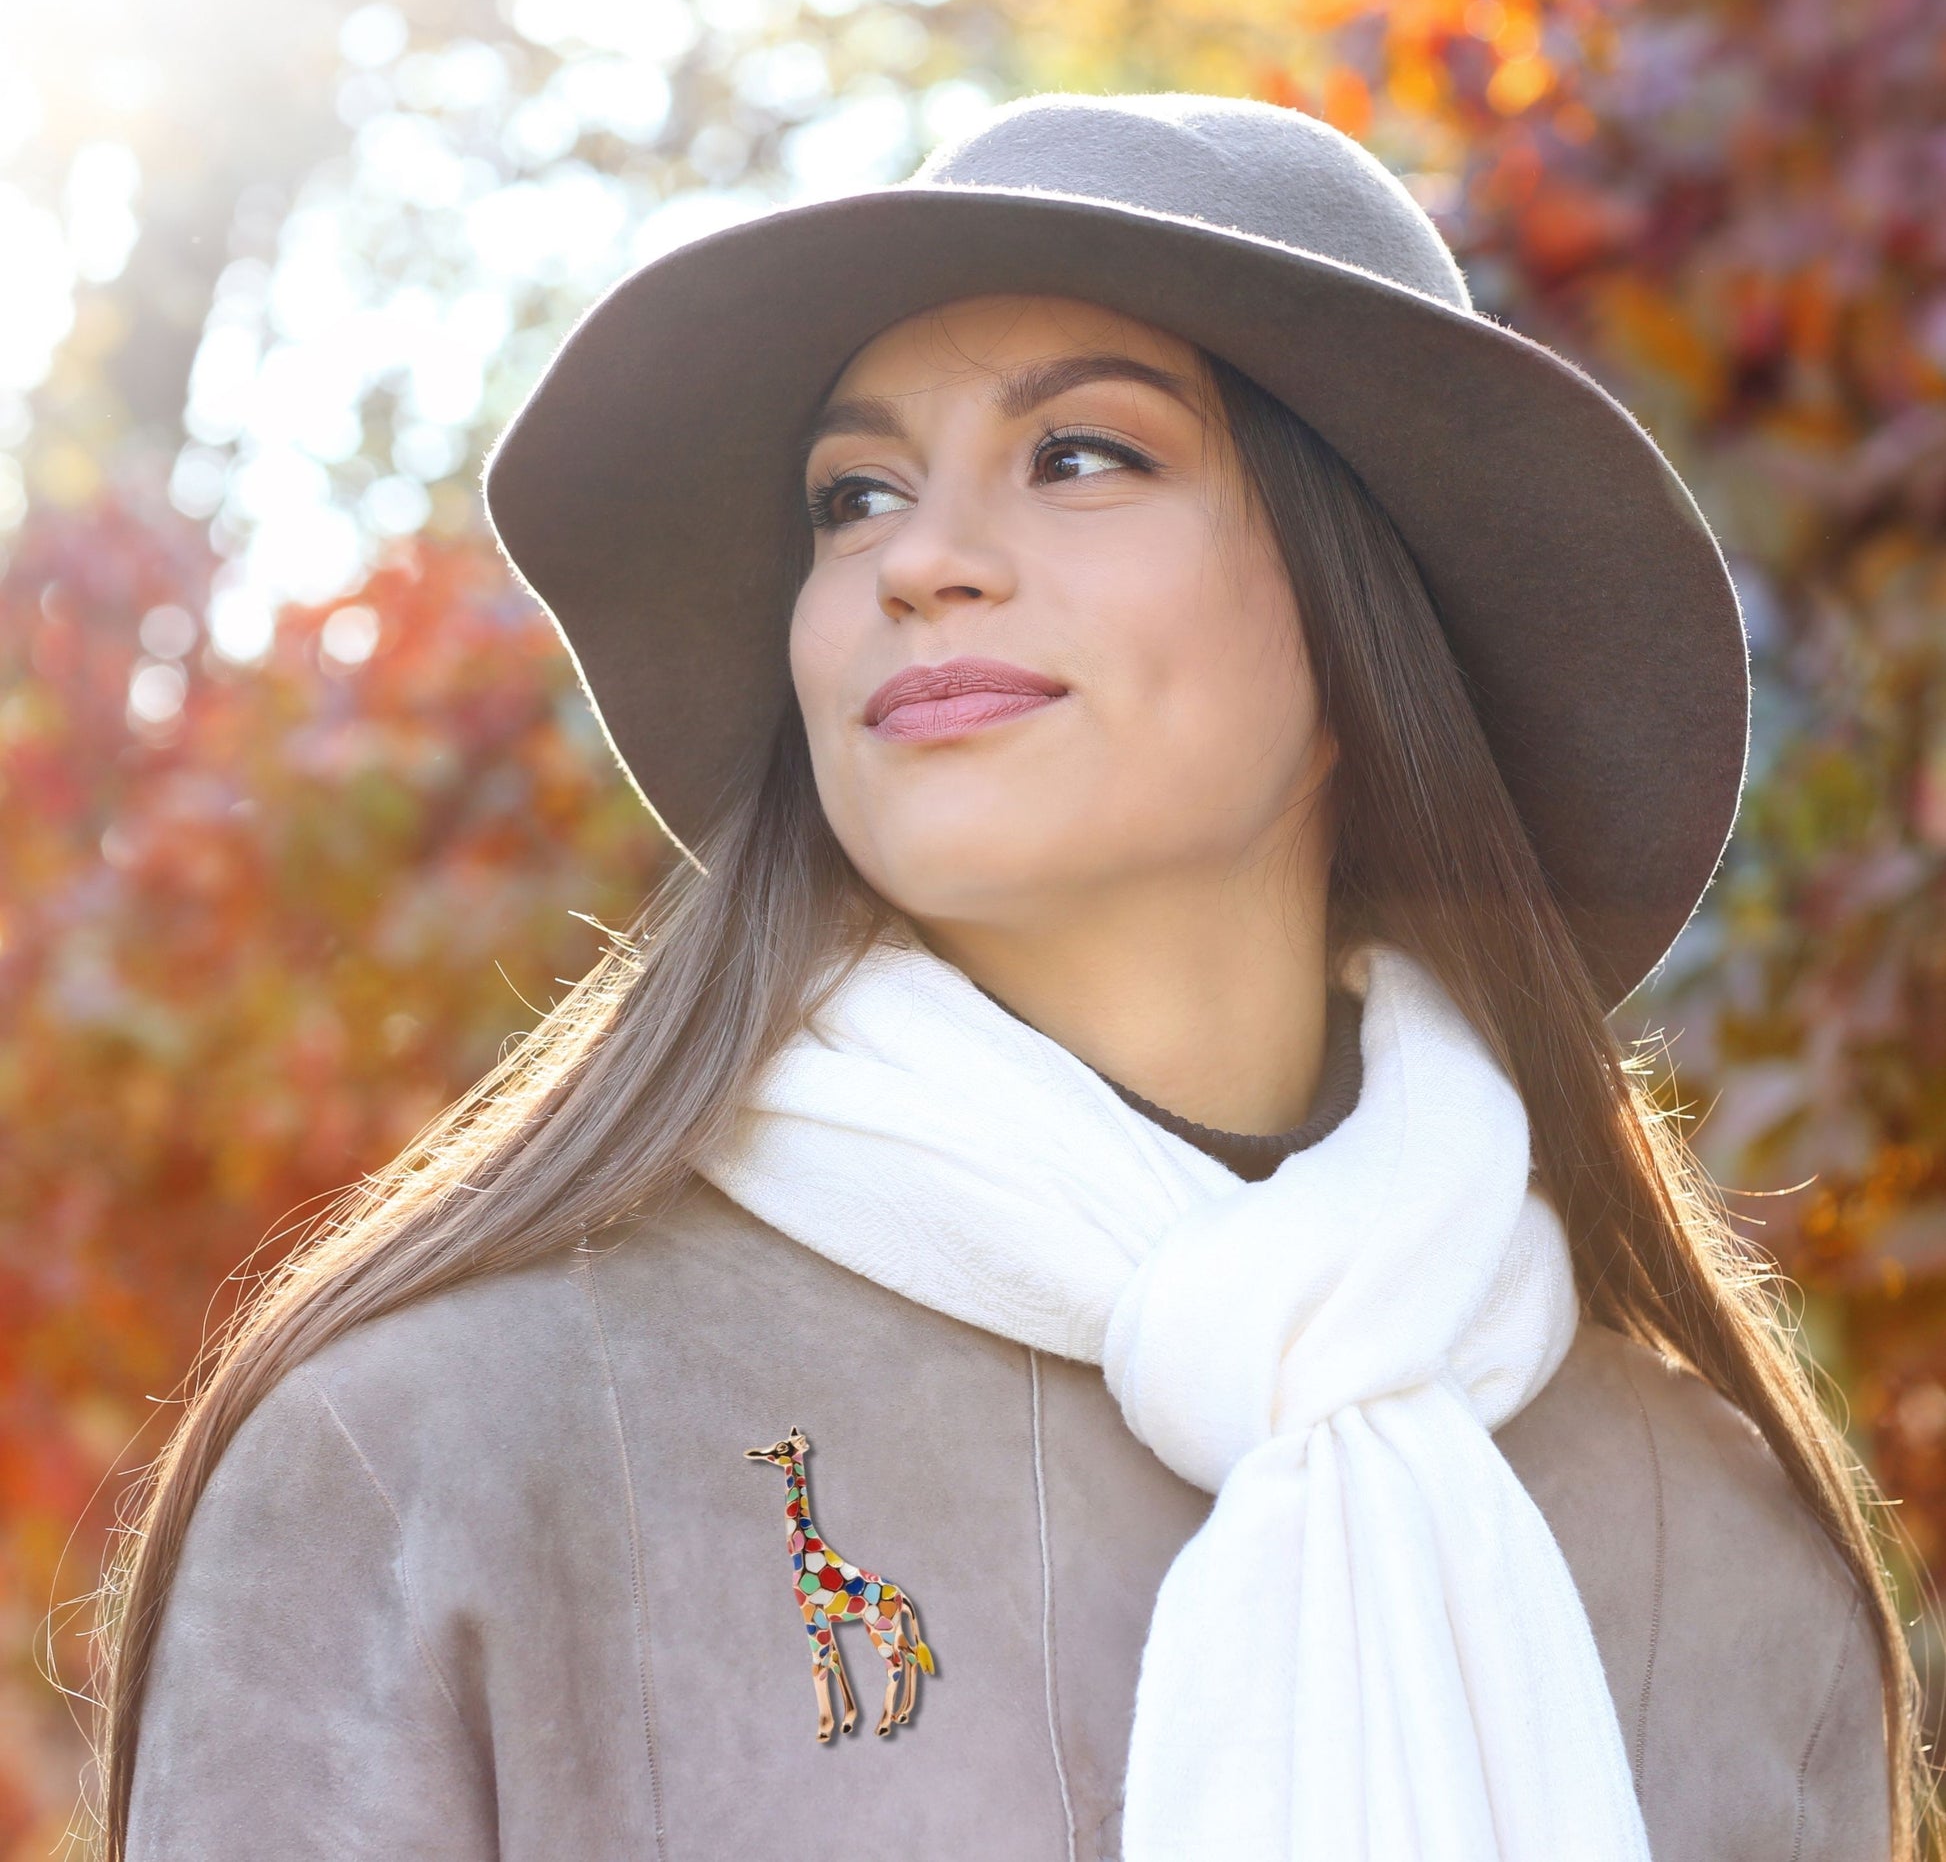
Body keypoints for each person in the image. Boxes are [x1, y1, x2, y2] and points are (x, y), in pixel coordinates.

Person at [99, 92, 1925, 1860]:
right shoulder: (444, 1444)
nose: (921, 560)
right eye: (854, 492)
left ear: (1362, 616)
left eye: (1080, 455)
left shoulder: (1723, 1542)